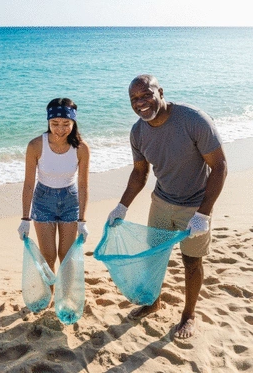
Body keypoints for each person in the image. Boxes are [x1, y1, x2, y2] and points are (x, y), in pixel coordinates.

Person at [107, 74, 227, 338]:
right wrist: (122, 207)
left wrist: (203, 214)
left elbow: (219, 166)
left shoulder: (193, 120)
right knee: (154, 256)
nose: (140, 103)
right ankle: (153, 302)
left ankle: (188, 315)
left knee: (191, 262)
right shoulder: (138, 132)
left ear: (160, 91)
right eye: (134, 99)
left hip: (195, 205)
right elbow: (140, 173)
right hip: (161, 201)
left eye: (146, 94)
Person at [18, 98, 90, 292]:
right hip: (43, 201)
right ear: (48, 122)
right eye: (54, 124)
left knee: (66, 256)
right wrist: (25, 218)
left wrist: (83, 220)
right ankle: (49, 293)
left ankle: (64, 294)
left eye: (66, 124)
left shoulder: (82, 148)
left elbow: (83, 186)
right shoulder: (35, 146)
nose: (60, 129)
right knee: (47, 256)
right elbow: (28, 184)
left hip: (70, 200)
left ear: (73, 123)